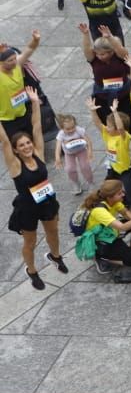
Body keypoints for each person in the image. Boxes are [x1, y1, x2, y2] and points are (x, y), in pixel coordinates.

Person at [2, 88, 67, 289]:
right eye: (21, 145)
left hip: (46, 200)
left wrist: (35, 103)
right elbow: (4, 141)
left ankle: (55, 256)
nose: (27, 146)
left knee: (53, 231)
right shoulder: (15, 165)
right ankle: (31, 270)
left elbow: (37, 127)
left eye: (27, 143)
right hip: (27, 207)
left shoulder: (38, 153)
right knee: (30, 242)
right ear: (16, 150)